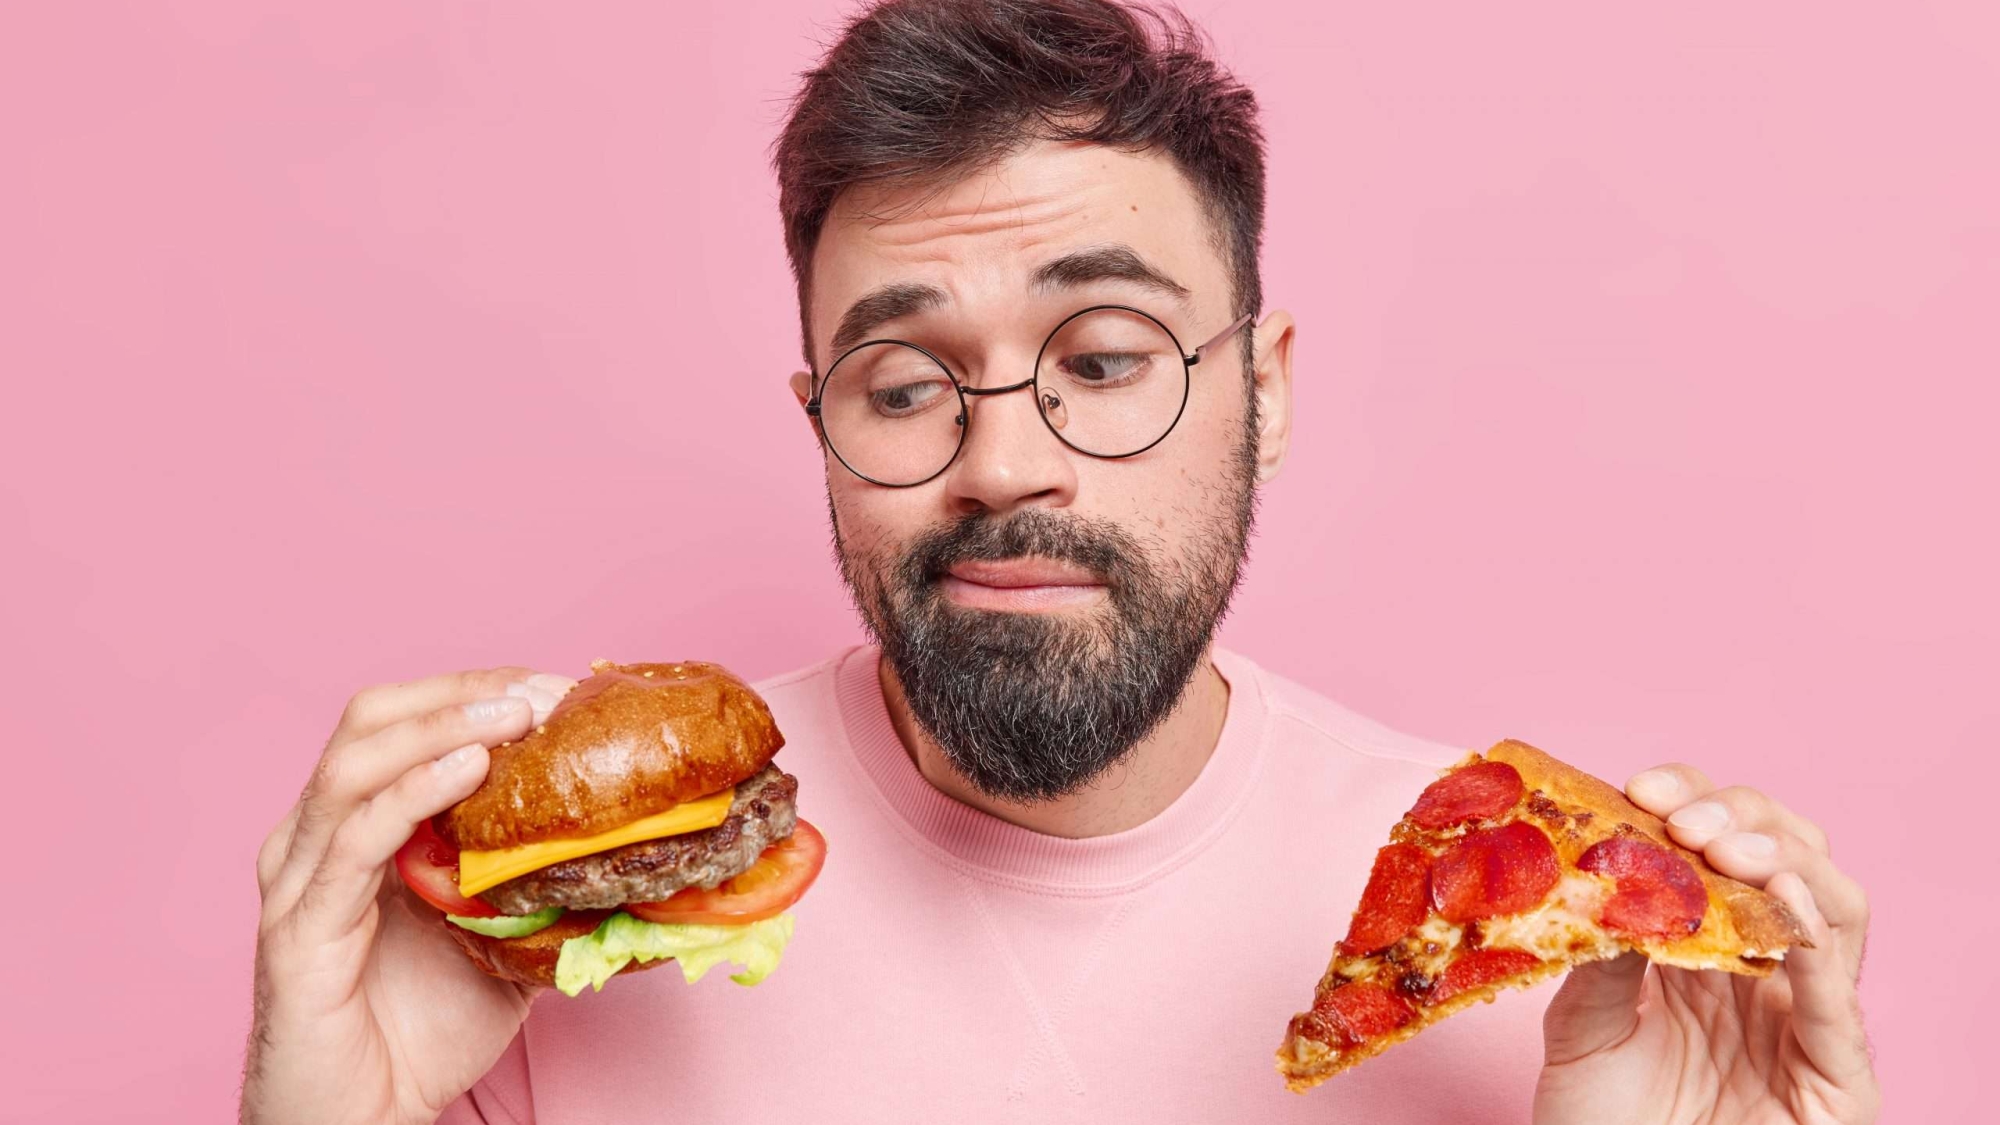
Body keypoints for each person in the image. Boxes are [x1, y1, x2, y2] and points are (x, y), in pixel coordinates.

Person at [239, 2, 1878, 1122]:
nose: (1003, 462)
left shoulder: (1554, 950)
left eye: (1103, 358)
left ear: (1268, 388)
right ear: (819, 418)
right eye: (903, 386)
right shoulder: (512, 952)